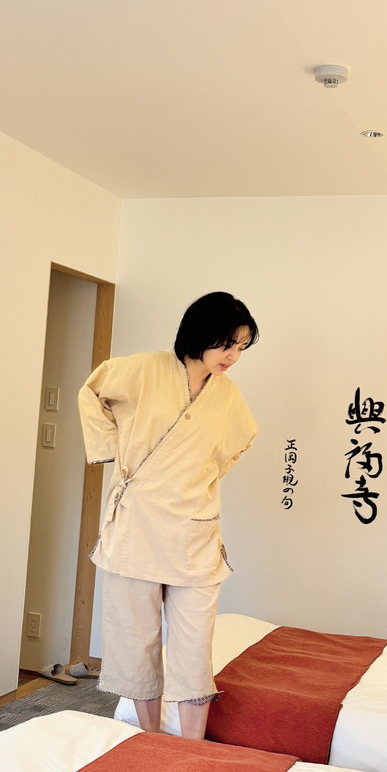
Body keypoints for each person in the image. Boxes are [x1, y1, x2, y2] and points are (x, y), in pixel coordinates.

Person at [77, 292, 258, 740]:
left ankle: (192, 746)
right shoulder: (142, 369)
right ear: (201, 334)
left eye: (241, 347)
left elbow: (239, 440)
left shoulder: (227, 395)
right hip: (136, 525)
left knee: (194, 645)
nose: (233, 356)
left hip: (194, 528)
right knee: (137, 640)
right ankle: (152, 739)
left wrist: (195, 476)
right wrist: (113, 450)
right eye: (227, 344)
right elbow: (92, 391)